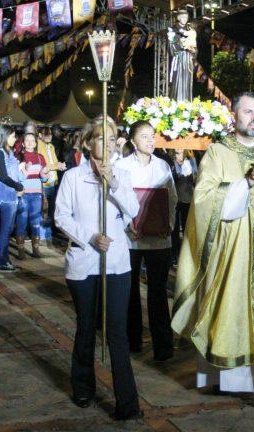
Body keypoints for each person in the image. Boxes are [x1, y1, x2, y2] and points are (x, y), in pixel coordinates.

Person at [172, 92, 254, 419]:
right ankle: (223, 376)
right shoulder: (218, 152)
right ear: (234, 117)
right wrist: (245, 183)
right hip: (232, 254)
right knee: (228, 311)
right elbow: (203, 200)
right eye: (247, 111)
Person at [54, 116, 143, 420]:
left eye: (111, 138)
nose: (107, 144)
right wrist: (90, 237)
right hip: (84, 264)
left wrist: (114, 183)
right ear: (88, 143)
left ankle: (128, 403)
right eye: (100, 138)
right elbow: (62, 217)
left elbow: (133, 210)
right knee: (86, 328)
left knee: (117, 332)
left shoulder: (122, 174)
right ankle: (82, 387)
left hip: (117, 264)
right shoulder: (73, 178)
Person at [115, 120, 178, 361]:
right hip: (131, 239)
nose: (150, 140)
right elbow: (118, 200)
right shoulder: (122, 166)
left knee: (158, 292)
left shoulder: (163, 166)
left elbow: (171, 199)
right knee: (130, 290)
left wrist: (168, 226)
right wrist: (128, 226)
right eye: (144, 136)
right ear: (133, 140)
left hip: (159, 240)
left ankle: (163, 346)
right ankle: (133, 340)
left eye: (152, 136)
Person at [0, 125, 24, 272]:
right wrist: (18, 186)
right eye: (12, 136)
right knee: (4, 230)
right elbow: (3, 176)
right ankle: (2, 261)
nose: (14, 139)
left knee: (8, 229)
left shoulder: (10, 153)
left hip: (12, 197)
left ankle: (5, 260)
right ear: (4, 136)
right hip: (4, 197)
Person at [15, 133, 50, 259]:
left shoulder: (40, 157)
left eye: (32, 141)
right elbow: (18, 178)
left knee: (35, 222)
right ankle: (21, 251)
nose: (30, 143)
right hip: (23, 194)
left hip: (37, 194)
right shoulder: (19, 157)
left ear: (36, 143)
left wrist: (44, 175)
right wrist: (26, 169)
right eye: (27, 140)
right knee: (21, 222)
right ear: (23, 143)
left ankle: (36, 249)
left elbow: (44, 179)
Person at [170, 148, 197, 261]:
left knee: (187, 227)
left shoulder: (190, 161)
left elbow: (196, 177)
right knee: (174, 229)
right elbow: (172, 179)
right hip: (175, 199)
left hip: (188, 198)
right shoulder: (171, 163)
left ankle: (187, 254)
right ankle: (174, 254)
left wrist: (193, 162)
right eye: (177, 152)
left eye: (181, 151)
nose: (179, 152)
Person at [167, 8, 197, 101]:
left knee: (187, 82)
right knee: (178, 80)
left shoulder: (190, 30)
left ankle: (187, 101)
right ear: (178, 18)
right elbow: (171, 48)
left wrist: (193, 50)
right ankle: (177, 100)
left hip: (188, 59)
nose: (184, 19)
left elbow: (195, 47)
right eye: (182, 17)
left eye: (186, 17)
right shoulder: (173, 29)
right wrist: (181, 44)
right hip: (179, 58)